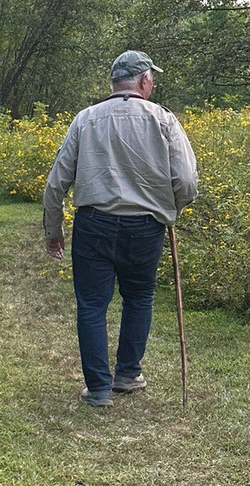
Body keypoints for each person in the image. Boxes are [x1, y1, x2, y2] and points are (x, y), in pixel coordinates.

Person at [43, 50, 198, 407]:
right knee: (139, 297)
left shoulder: (86, 119)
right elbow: (187, 181)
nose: (153, 82)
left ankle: (98, 389)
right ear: (144, 80)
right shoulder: (164, 120)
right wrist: (171, 208)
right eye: (152, 77)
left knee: (92, 305)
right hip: (145, 227)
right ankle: (127, 374)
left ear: (114, 82)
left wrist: (54, 230)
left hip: (93, 224)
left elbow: (56, 183)